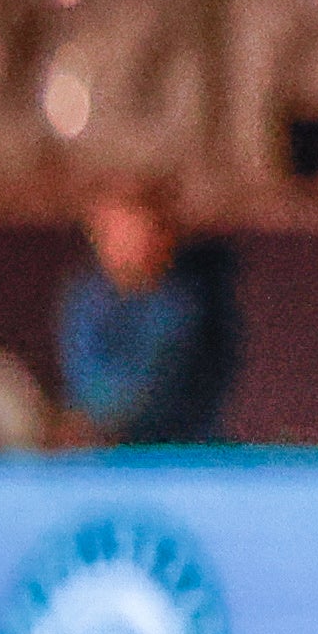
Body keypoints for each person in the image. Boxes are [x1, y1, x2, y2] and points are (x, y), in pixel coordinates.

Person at [55, 182, 234, 446]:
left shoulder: (182, 306)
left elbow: (152, 391)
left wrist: (87, 423)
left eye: (134, 233)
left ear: (163, 238)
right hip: (105, 457)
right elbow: (85, 380)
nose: (124, 246)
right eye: (113, 233)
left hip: (181, 455)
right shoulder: (84, 300)